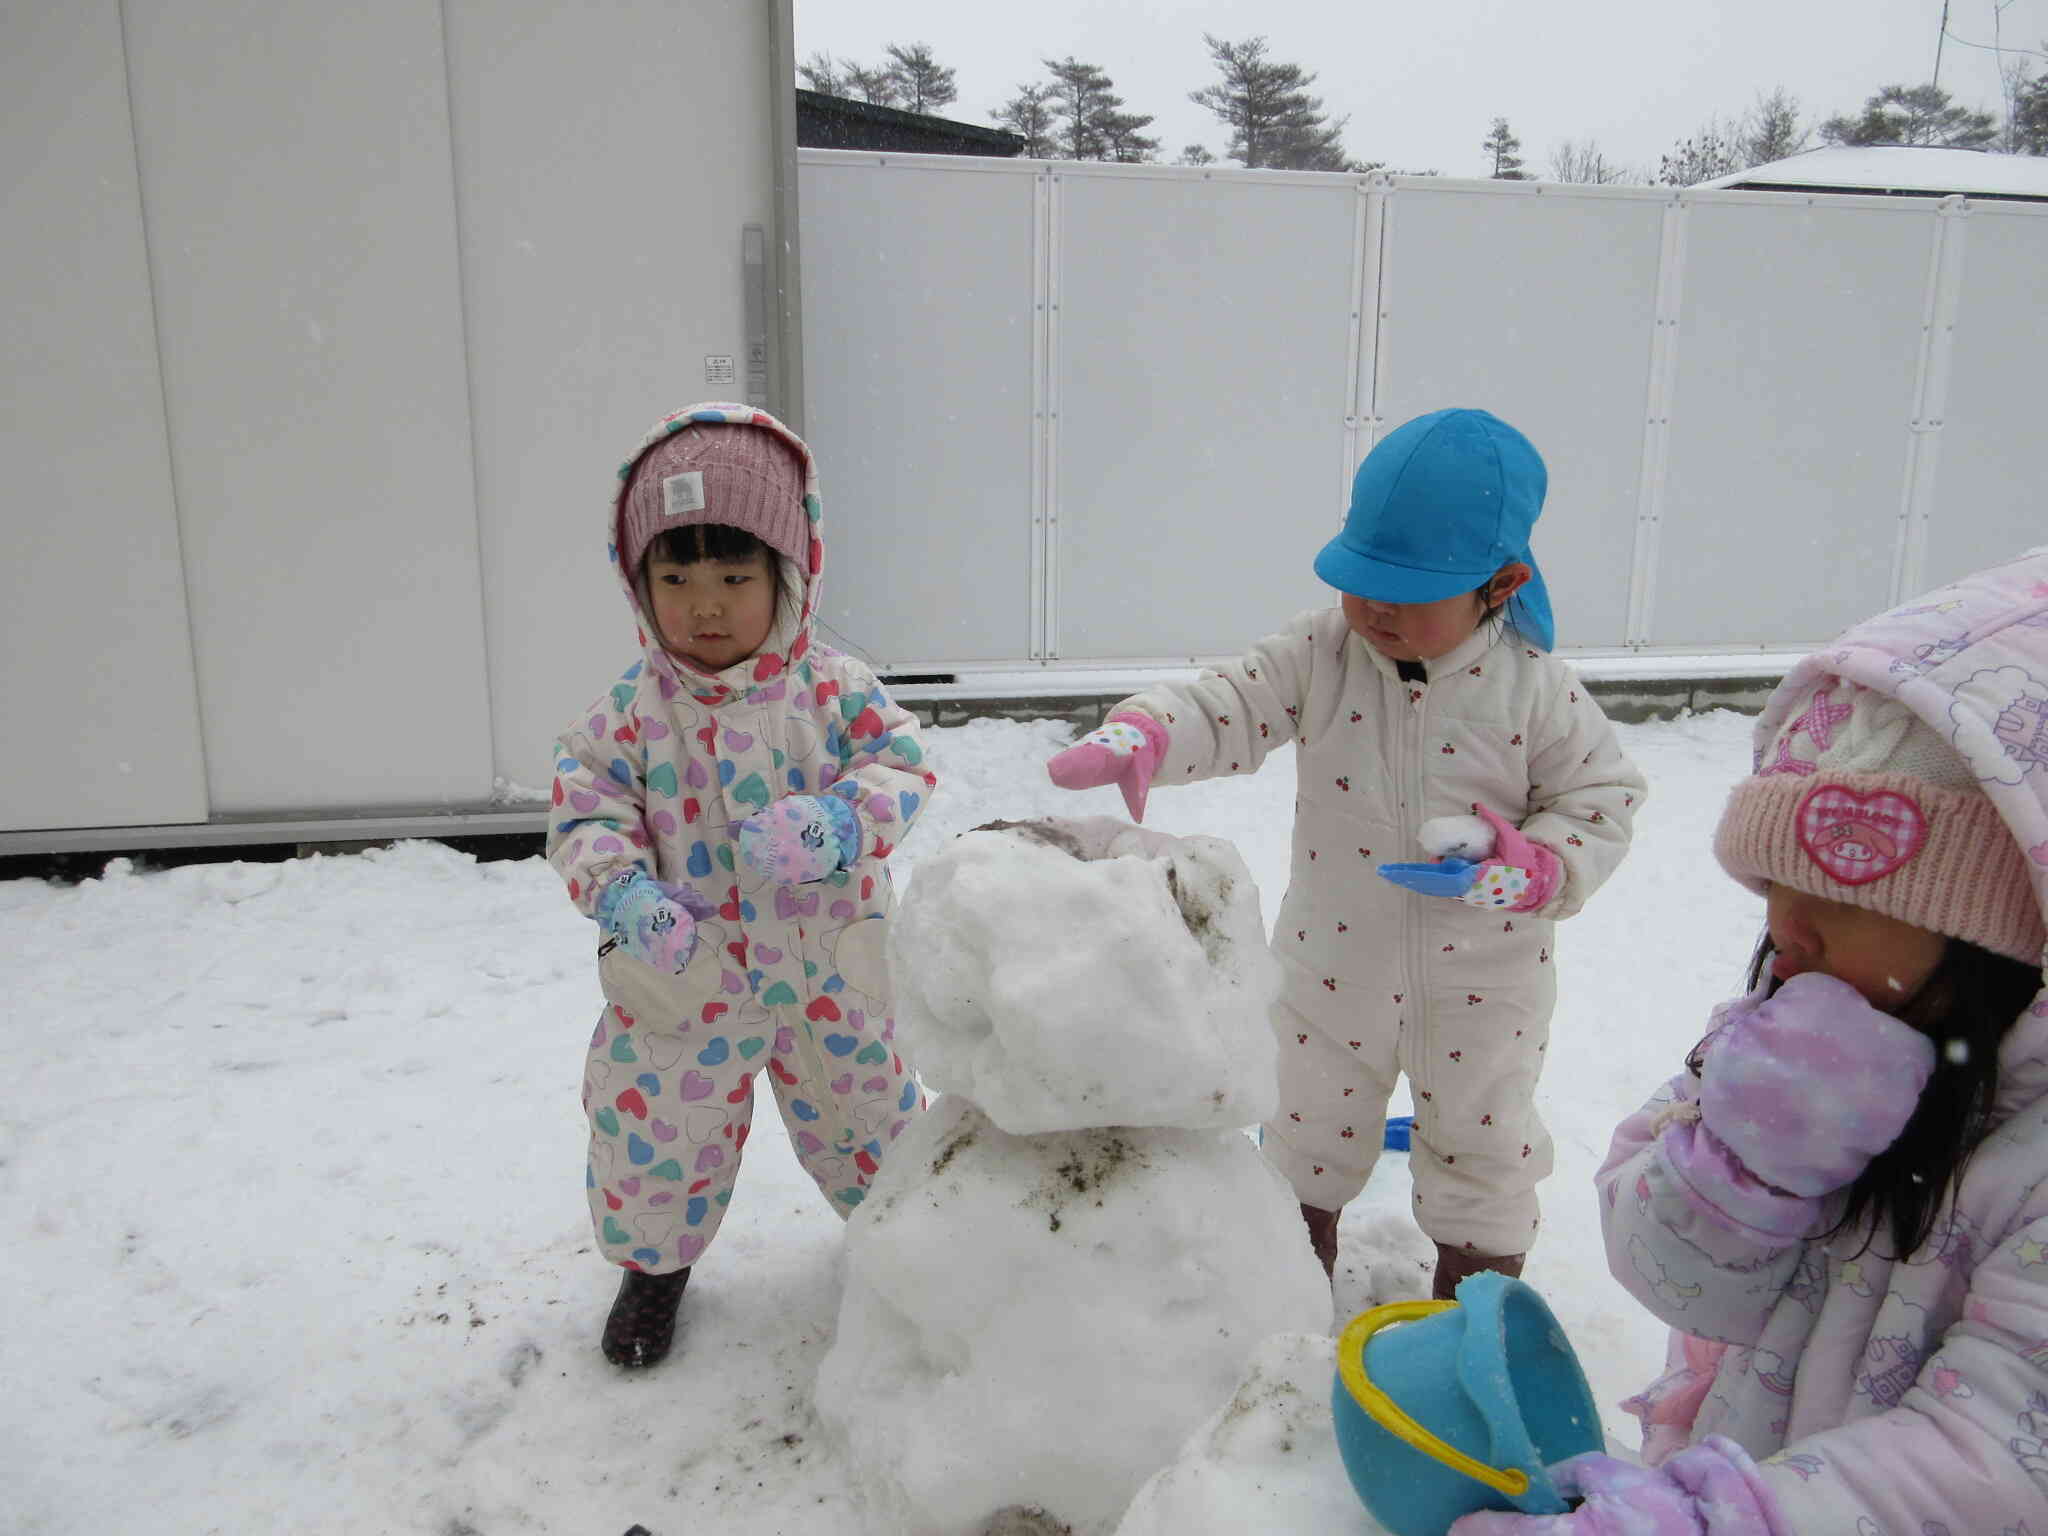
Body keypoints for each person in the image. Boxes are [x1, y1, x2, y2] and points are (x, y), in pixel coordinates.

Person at [1452, 547, 2048, 1533]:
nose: (1784, 933)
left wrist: (1715, 1519)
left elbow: (2000, 1452)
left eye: (1835, 899)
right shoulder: (1791, 1028)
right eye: (1771, 890)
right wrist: (1745, 1165)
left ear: (2000, 923)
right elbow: (1662, 1272)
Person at [1046, 408, 1644, 1298]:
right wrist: (1146, 736)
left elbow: (1602, 800)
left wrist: (1539, 865)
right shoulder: (1323, 653)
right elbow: (1230, 703)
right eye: (1363, 580)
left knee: (1484, 1139)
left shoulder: (1536, 693)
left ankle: (1475, 1298)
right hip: (1334, 961)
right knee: (1304, 1121)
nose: (1374, 608)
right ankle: (1288, 1271)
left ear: (1500, 582)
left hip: (1487, 982)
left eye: (1408, 592)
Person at [547, 403, 934, 1368]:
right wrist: (623, 893)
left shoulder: (836, 691)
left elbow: (903, 766)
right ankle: (654, 1268)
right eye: (675, 578)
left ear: (788, 576)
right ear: (639, 585)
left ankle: (907, 1256)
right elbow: (584, 813)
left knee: (872, 1125)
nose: (704, 606)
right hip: (687, 984)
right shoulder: (627, 717)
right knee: (656, 1138)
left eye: (733, 576)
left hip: (831, 975)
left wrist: (843, 821)